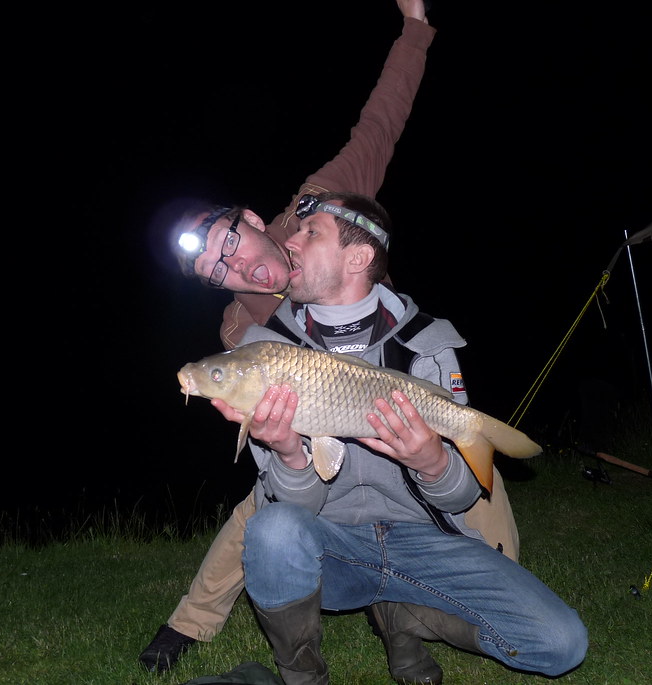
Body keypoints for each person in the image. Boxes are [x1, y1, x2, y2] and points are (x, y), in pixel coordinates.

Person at [140, 3, 520, 682]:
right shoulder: (238, 330)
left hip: (394, 387)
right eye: (216, 272)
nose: (235, 267)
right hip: (322, 428)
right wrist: (272, 438)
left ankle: (414, 617)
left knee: (486, 528)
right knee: (265, 507)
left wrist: (414, 27)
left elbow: (380, 123)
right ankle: (188, 622)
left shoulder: (317, 209)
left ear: (253, 220)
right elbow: (267, 443)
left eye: (230, 244)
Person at [211, 191, 588, 684]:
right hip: (334, 545)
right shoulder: (265, 354)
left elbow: (460, 496)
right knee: (273, 531)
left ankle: (403, 614)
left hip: (424, 542)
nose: (291, 243)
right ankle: (302, 676)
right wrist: (289, 454)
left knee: (563, 645)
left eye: (310, 233)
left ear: (359, 257)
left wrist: (432, 461)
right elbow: (292, 510)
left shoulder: (429, 343)